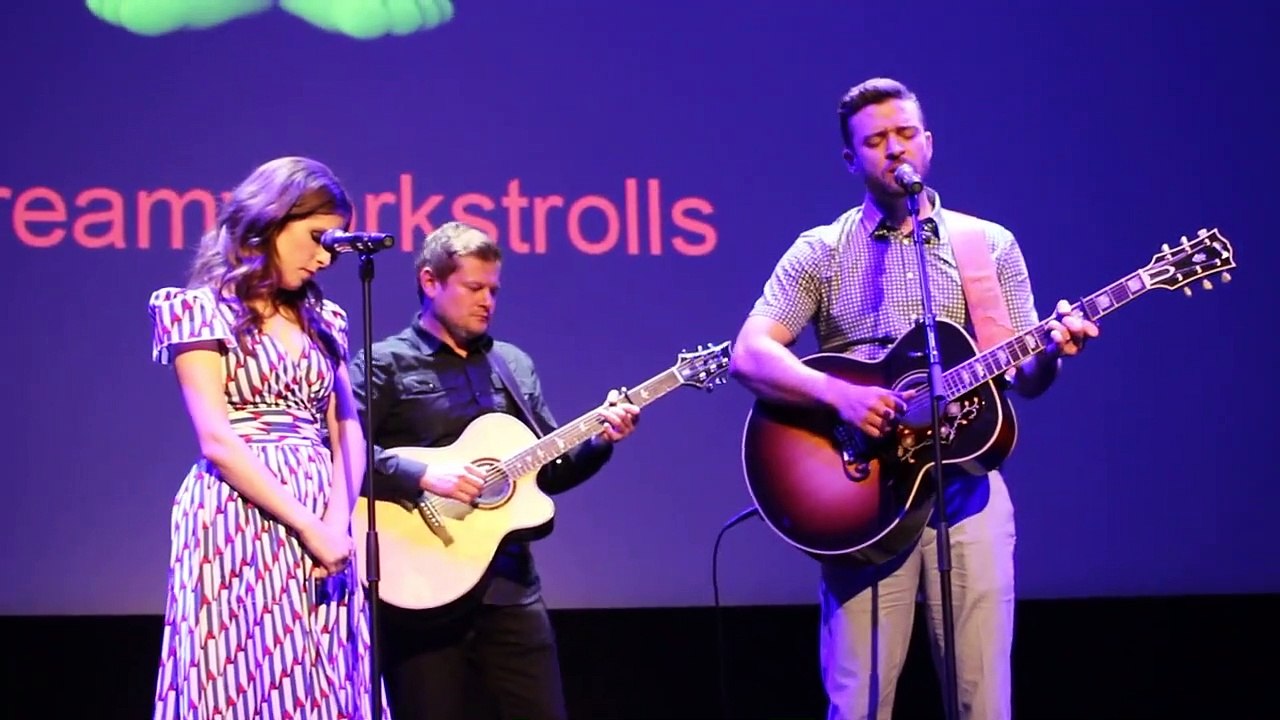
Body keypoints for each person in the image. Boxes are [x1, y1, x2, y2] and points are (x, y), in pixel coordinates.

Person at [727, 77, 1099, 720]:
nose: (894, 150)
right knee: (859, 704)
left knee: (984, 702)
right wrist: (838, 397)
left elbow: (1023, 378)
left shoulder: (988, 245)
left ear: (927, 144)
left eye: (905, 135)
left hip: (966, 492)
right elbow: (749, 354)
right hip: (865, 497)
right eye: (875, 141)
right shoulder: (822, 250)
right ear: (852, 159)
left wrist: (1052, 351)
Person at [349, 220, 641, 720]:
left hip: (509, 590)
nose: (487, 300)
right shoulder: (384, 364)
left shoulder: (512, 364)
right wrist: (421, 474)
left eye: (494, 290)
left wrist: (598, 442)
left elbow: (547, 475)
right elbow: (340, 455)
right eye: (473, 287)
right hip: (420, 588)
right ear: (429, 281)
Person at [147, 156, 388, 719]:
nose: (326, 256)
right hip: (239, 513)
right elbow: (216, 438)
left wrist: (336, 518)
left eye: (332, 243)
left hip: (324, 513)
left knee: (324, 671)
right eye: (315, 237)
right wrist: (307, 525)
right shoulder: (197, 309)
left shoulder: (326, 318)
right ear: (269, 221)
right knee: (241, 672)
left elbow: (345, 426)